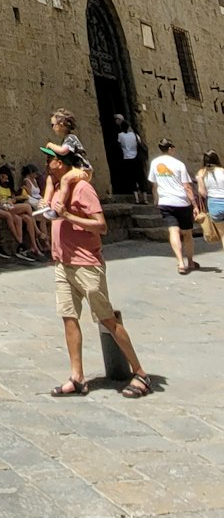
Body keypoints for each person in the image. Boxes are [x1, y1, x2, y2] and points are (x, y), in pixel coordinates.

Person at [47, 145, 151, 398]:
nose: (46, 163)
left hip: (87, 264)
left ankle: (141, 373)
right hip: (63, 263)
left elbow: (101, 226)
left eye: (49, 160)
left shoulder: (83, 188)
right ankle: (77, 377)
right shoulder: (60, 186)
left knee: (106, 319)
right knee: (68, 317)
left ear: (61, 163)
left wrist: (69, 216)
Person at [147, 139, 199, 274]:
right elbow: (187, 186)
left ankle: (180, 263)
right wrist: (194, 204)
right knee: (187, 233)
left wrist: (156, 199)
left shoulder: (154, 163)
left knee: (173, 231)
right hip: (181, 202)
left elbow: (154, 185)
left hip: (165, 202)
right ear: (170, 149)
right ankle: (191, 261)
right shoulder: (179, 164)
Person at [114, 113, 145, 203]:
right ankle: (145, 198)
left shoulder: (120, 136)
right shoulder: (134, 135)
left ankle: (136, 199)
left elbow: (119, 145)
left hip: (127, 158)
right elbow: (139, 143)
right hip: (136, 158)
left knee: (132, 178)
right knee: (140, 177)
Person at [197, 153, 224, 250]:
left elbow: (202, 192)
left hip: (214, 205)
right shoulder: (222, 171)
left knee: (222, 235)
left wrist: (200, 179)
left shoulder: (202, 173)